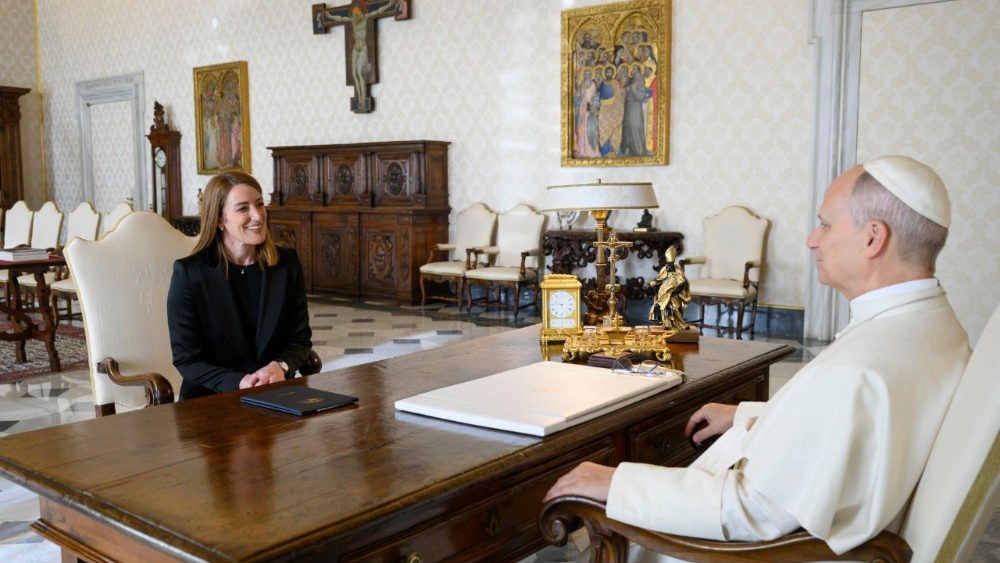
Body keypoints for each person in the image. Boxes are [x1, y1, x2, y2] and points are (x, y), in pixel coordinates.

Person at [544, 156, 971, 559]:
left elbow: (753, 512)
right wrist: (750, 415)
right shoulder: (932, 325)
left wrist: (617, 482)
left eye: (824, 224)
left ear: (873, 238)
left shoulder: (861, 368)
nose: (811, 239)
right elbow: (843, 425)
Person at [167, 171, 313, 401]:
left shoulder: (286, 263)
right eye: (243, 208)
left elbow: (300, 340)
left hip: (277, 396)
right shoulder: (189, 274)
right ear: (219, 220)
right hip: (211, 403)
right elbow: (187, 360)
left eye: (259, 204)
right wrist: (239, 382)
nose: (257, 215)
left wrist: (281, 366)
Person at [318, 0, 400, 104]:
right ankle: (360, 99)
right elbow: (340, 18)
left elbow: (378, 11)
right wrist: (329, 15)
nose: (355, 16)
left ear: (360, 13)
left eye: (356, 14)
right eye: (353, 14)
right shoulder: (352, 20)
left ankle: (362, 98)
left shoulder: (366, 18)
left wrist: (389, 4)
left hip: (363, 48)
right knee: (354, 73)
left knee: (360, 73)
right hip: (355, 48)